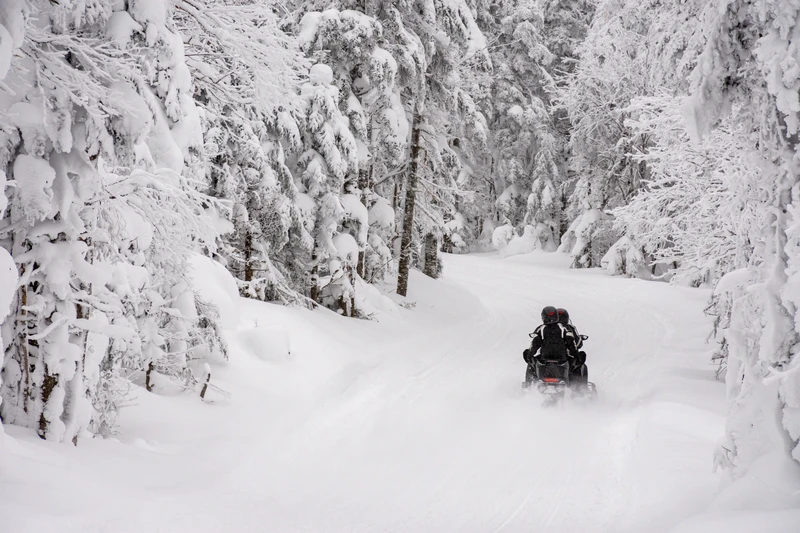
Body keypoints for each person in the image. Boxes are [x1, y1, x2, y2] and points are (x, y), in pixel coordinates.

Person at [522, 306, 580, 388]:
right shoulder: (564, 329)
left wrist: (529, 355)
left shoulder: (541, 329)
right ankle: (577, 388)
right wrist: (576, 355)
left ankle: (529, 385)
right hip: (562, 359)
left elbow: (535, 344)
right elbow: (571, 343)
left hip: (544, 359)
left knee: (531, 363)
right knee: (576, 364)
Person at [556, 307, 589, 387]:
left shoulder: (545, 328)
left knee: (533, 363)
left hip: (547, 357)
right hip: (566, 358)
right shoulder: (569, 329)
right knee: (580, 364)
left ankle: (529, 384)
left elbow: (536, 341)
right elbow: (577, 343)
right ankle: (580, 388)